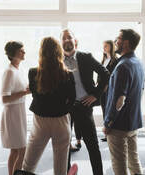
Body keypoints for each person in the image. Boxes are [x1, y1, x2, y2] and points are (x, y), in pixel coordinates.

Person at [20, 36, 76, 175]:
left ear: (41, 52)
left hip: (41, 121)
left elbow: (35, 95)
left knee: (28, 165)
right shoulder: (68, 74)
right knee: (61, 168)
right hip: (61, 121)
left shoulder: (33, 73)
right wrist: (63, 110)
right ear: (59, 52)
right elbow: (72, 99)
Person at [61, 29, 108, 175]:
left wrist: (95, 94)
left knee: (92, 146)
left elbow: (105, 74)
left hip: (84, 105)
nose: (67, 40)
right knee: (63, 146)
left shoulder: (85, 57)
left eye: (70, 37)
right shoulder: (57, 60)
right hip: (65, 109)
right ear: (61, 43)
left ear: (75, 41)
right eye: (64, 38)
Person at [103, 29, 144, 175]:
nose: (115, 41)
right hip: (133, 122)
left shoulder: (122, 66)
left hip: (119, 125)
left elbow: (120, 100)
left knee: (119, 165)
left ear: (126, 43)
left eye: (118, 38)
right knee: (133, 161)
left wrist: (108, 122)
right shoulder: (139, 63)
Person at [1, 41, 30, 175]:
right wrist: (25, 92)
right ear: (13, 54)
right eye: (21, 51)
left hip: (20, 111)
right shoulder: (9, 72)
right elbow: (5, 99)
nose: (24, 52)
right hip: (12, 113)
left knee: (17, 150)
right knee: (20, 149)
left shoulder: (20, 69)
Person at [99, 40, 119, 142]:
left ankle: (111, 133)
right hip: (102, 89)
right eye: (103, 46)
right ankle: (106, 133)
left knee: (109, 110)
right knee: (104, 110)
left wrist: (107, 85)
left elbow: (113, 76)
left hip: (110, 89)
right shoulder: (104, 59)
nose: (104, 48)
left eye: (106, 46)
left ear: (111, 47)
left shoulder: (115, 60)